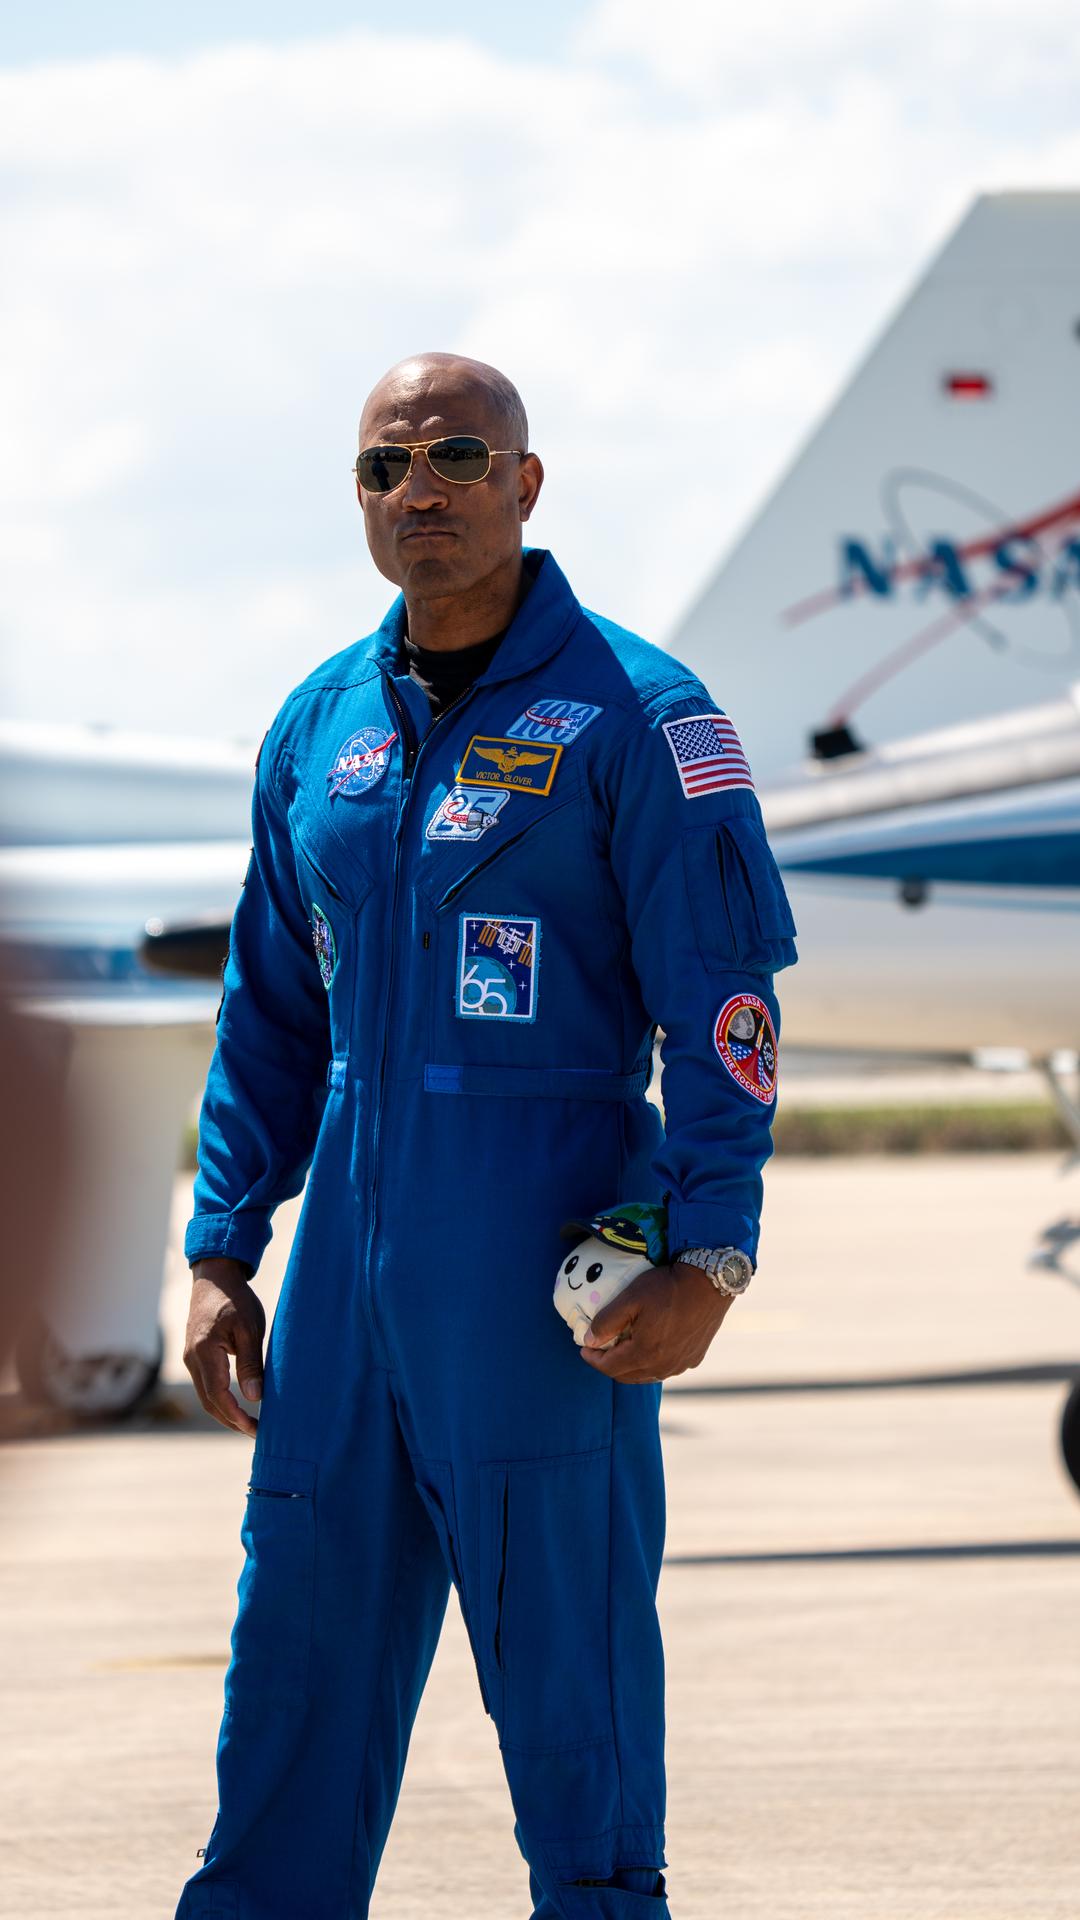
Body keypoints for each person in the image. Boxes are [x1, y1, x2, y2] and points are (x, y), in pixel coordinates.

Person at [177, 352, 797, 1920]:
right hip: (341, 1301)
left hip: (535, 1272)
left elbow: (721, 1014)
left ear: (527, 483)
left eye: (459, 457)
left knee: (569, 1683)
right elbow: (269, 1009)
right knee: (294, 1669)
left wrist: (710, 1248)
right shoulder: (321, 729)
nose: (422, 493)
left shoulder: (641, 719)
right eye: (388, 468)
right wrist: (222, 1245)